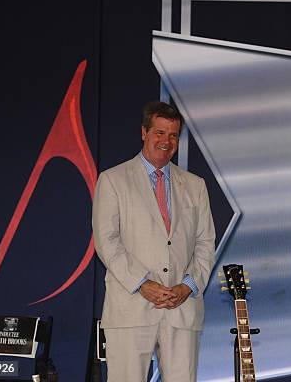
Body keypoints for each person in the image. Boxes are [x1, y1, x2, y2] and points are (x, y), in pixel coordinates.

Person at [93, 101, 215, 382]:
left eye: (173, 135)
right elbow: (107, 242)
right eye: (159, 133)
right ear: (144, 133)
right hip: (131, 306)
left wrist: (189, 285)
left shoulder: (195, 185)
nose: (166, 141)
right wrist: (143, 284)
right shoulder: (113, 180)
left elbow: (205, 242)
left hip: (182, 308)